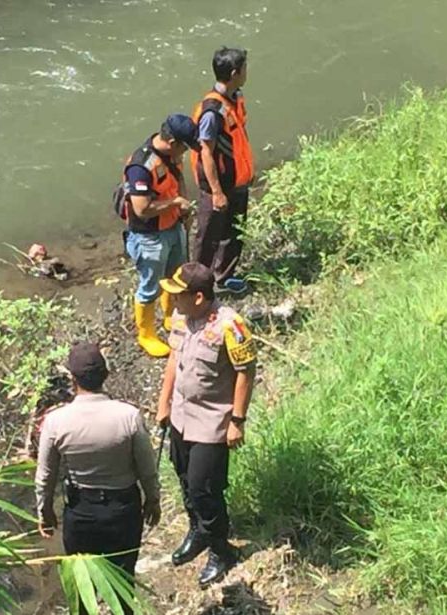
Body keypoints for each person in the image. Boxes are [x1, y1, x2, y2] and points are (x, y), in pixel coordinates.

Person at [35, 342, 161, 614]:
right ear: (105, 375)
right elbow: (146, 468)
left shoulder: (56, 421)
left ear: (72, 379)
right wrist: (153, 499)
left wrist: (45, 511)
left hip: (81, 512)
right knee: (123, 582)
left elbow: (45, 476)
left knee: (82, 589)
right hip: (123, 510)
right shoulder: (128, 416)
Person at [155, 262, 257, 587]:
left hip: (213, 421)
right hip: (182, 417)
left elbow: (246, 371)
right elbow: (174, 359)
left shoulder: (231, 325)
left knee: (205, 488)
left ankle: (220, 549)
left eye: (178, 295)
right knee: (184, 477)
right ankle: (197, 531)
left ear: (198, 297)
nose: (172, 301)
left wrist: (237, 420)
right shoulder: (181, 319)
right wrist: (163, 403)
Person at [122, 114, 199, 358]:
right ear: (173, 141)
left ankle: (170, 316)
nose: (185, 152)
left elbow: (179, 180)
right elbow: (141, 209)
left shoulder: (173, 156)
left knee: (175, 273)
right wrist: (175, 202)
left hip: (173, 226)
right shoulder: (140, 166)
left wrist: (183, 206)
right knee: (150, 285)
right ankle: (146, 335)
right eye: (185, 146)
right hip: (149, 236)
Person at [191, 47, 255, 295]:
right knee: (208, 236)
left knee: (234, 231)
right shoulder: (212, 111)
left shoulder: (235, 97)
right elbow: (206, 152)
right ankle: (197, 286)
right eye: (245, 69)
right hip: (219, 185)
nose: (247, 73)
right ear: (235, 73)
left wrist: (247, 171)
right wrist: (216, 192)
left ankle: (224, 277)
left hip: (237, 180)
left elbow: (238, 138)